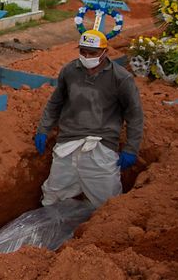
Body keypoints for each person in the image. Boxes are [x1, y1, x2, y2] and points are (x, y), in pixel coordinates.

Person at [34, 30, 144, 209]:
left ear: (104, 52)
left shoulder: (121, 78)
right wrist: (43, 129)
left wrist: (131, 148)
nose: (86, 56)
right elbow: (55, 103)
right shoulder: (70, 71)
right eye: (83, 51)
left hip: (101, 145)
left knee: (107, 201)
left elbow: (134, 114)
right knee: (53, 192)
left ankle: (101, 233)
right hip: (68, 143)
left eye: (92, 53)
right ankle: (46, 228)